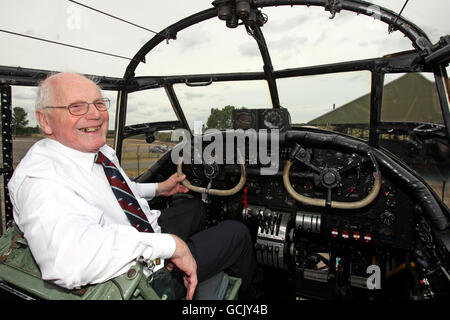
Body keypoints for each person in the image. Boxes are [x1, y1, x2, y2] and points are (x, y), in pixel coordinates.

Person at [7, 72, 257, 300]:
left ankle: (186, 263)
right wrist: (170, 247)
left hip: (141, 236)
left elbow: (117, 190)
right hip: (140, 279)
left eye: (98, 104)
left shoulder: (96, 151)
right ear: (45, 120)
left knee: (193, 208)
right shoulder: (40, 181)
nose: (94, 114)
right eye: (76, 107)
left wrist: (160, 189)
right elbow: (69, 261)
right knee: (238, 233)